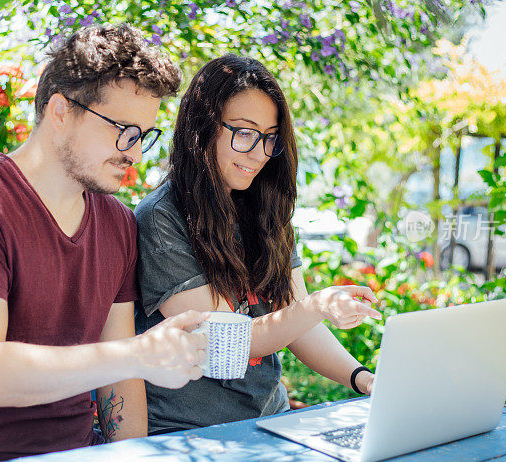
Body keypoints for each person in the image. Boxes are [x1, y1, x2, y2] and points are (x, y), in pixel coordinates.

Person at [0, 24, 208, 462]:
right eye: (124, 131)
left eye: (144, 135)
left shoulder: (117, 224)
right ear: (61, 111)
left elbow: (119, 379)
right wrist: (137, 354)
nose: (135, 153)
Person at [134, 54, 381, 435]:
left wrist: (363, 380)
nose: (259, 153)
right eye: (244, 132)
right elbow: (230, 339)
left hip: (270, 421)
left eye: (269, 138)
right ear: (202, 127)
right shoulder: (161, 219)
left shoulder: (266, 209)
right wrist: (318, 306)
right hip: (187, 434)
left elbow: (296, 321)